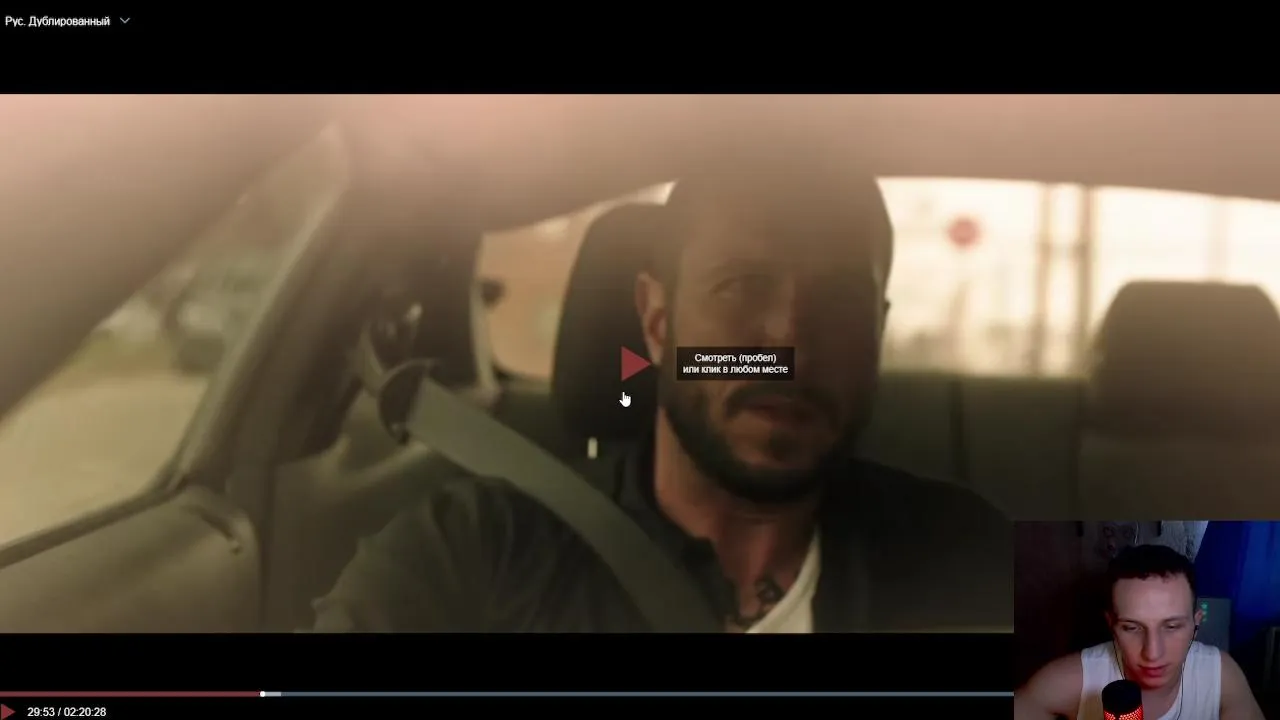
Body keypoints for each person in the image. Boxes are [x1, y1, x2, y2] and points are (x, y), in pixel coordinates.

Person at [312, 151, 1012, 632]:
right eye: (741, 287)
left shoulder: (967, 563)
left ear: (876, 333)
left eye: (841, 303)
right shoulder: (474, 554)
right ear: (656, 322)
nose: (789, 346)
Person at [1014, 544, 1263, 720]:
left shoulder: (1220, 676)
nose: (1152, 653)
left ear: (1195, 625)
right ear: (1112, 625)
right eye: (1131, 628)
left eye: (1172, 626)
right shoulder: (1071, 680)